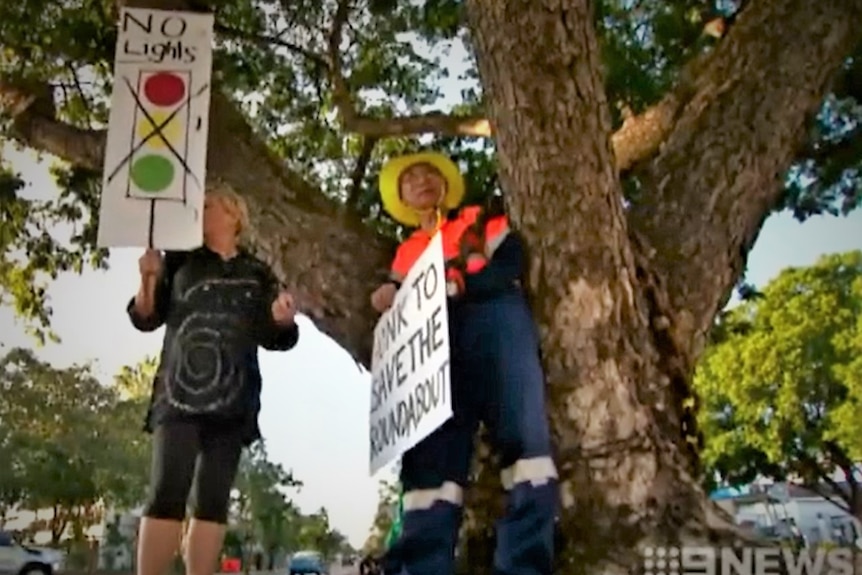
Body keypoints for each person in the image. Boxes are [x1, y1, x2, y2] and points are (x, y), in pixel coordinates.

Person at [369, 152, 558, 575]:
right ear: (400, 197)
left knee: (525, 440)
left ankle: (524, 565)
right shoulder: (406, 252)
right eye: (410, 178)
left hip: (495, 320)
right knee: (430, 458)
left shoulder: (477, 218)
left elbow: (510, 262)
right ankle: (422, 566)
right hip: (433, 348)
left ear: (445, 185)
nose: (421, 181)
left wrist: (463, 283)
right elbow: (398, 300)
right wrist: (384, 295)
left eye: (429, 173)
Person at [128, 185, 300, 575]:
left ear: (233, 214)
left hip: (234, 399)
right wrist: (148, 278)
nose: (199, 211)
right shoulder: (180, 260)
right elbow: (146, 317)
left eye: (207, 205)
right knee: (166, 492)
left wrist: (281, 317)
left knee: (213, 501)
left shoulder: (259, 271)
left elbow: (275, 336)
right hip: (178, 395)